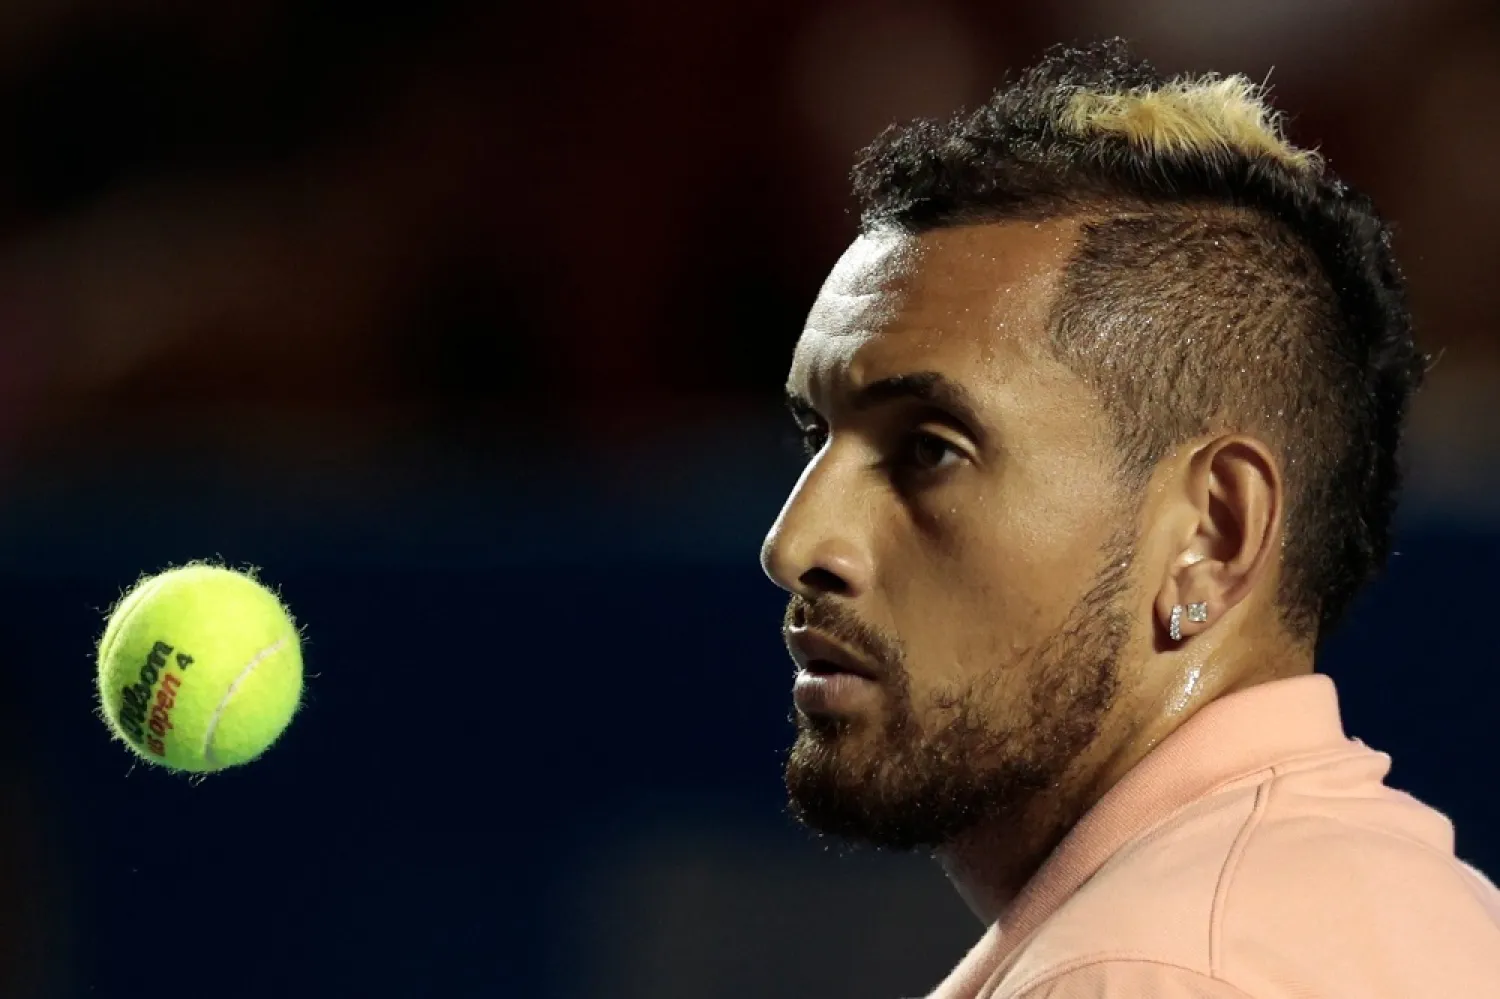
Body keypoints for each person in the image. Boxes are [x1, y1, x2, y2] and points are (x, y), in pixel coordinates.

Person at [759, 38, 1500, 998]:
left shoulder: (1139, 971)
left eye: (930, 449)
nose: (795, 544)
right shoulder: (1443, 911)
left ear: (1211, 534)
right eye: (816, 434)